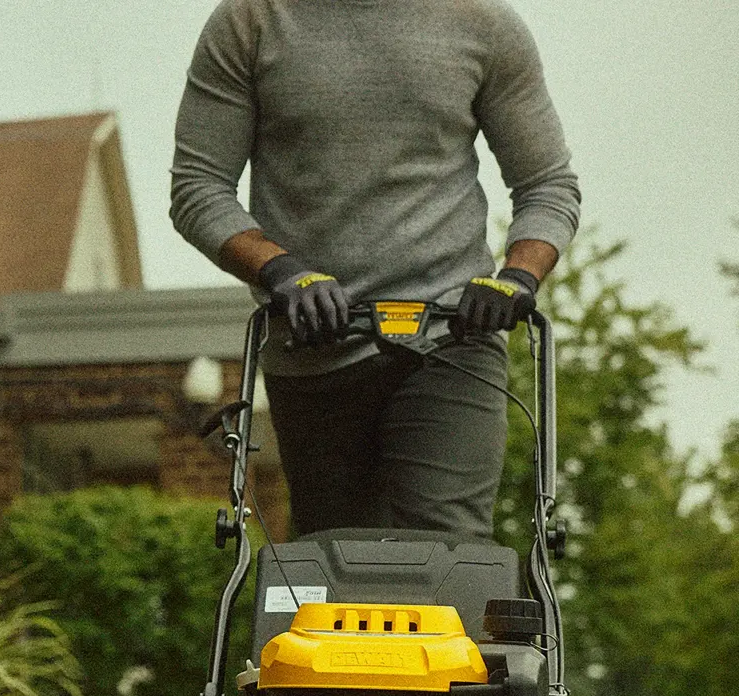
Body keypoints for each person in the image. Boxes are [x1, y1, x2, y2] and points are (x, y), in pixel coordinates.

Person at [169, 0, 581, 540]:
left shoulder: (483, 24)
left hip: (452, 336)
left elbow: (548, 184)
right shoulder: (251, 21)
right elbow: (198, 186)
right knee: (330, 559)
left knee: (446, 547)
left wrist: (517, 278)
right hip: (313, 345)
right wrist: (282, 271)